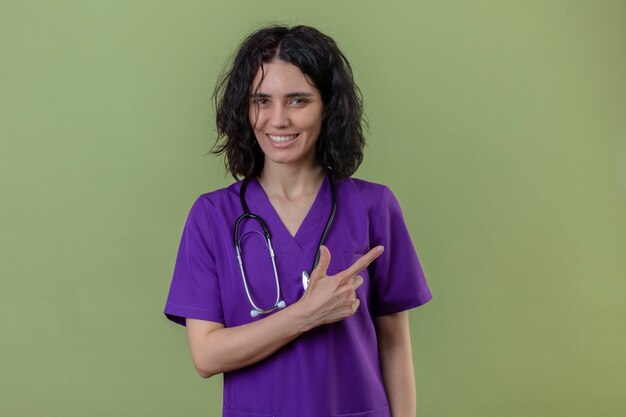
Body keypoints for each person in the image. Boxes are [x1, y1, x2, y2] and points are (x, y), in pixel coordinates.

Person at [163, 24, 433, 417]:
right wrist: (304, 314)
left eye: (297, 101)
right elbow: (206, 355)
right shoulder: (212, 217)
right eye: (262, 100)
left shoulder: (373, 207)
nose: (277, 120)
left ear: (328, 107)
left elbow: (393, 343)